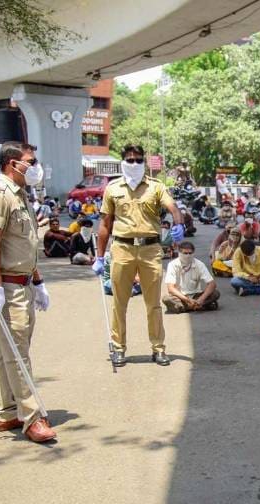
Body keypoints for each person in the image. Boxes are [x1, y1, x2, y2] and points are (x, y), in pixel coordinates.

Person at [0, 141, 57, 442]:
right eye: (30, 161)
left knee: (7, 350)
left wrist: (37, 281)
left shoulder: (20, 196)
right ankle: (32, 417)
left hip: (21, 283)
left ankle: (8, 412)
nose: (35, 167)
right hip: (7, 287)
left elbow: (24, 246)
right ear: (12, 163)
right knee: (18, 353)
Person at [93, 144, 183, 367]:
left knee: (153, 304)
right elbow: (105, 224)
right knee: (119, 303)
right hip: (122, 248)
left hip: (150, 249)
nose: (134, 163)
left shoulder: (156, 187)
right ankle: (118, 347)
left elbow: (173, 208)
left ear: (143, 162)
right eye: (130, 160)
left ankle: (158, 348)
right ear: (123, 161)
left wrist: (178, 222)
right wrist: (99, 256)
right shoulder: (113, 189)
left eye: (138, 160)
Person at [163, 241, 220, 313]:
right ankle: (199, 306)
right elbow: (170, 288)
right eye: (185, 253)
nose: (188, 255)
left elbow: (212, 284)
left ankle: (185, 307)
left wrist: (201, 299)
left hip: (196, 296)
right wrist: (187, 300)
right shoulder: (172, 265)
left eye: (190, 253)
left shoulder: (199, 264)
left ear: (193, 253)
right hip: (180, 297)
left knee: (215, 293)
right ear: (179, 253)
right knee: (166, 299)